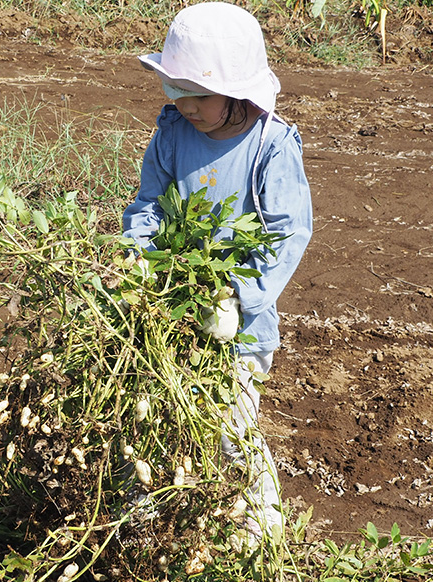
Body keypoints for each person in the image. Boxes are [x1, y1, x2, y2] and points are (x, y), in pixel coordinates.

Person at [122, 2, 313, 543]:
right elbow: (149, 206)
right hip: (167, 311)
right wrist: (134, 255)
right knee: (150, 419)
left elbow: (288, 233)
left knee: (231, 425)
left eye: (198, 94)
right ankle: (146, 522)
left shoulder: (270, 145)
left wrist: (237, 294)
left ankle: (264, 534)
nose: (184, 105)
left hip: (238, 326)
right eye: (174, 91)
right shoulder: (172, 131)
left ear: (238, 93)